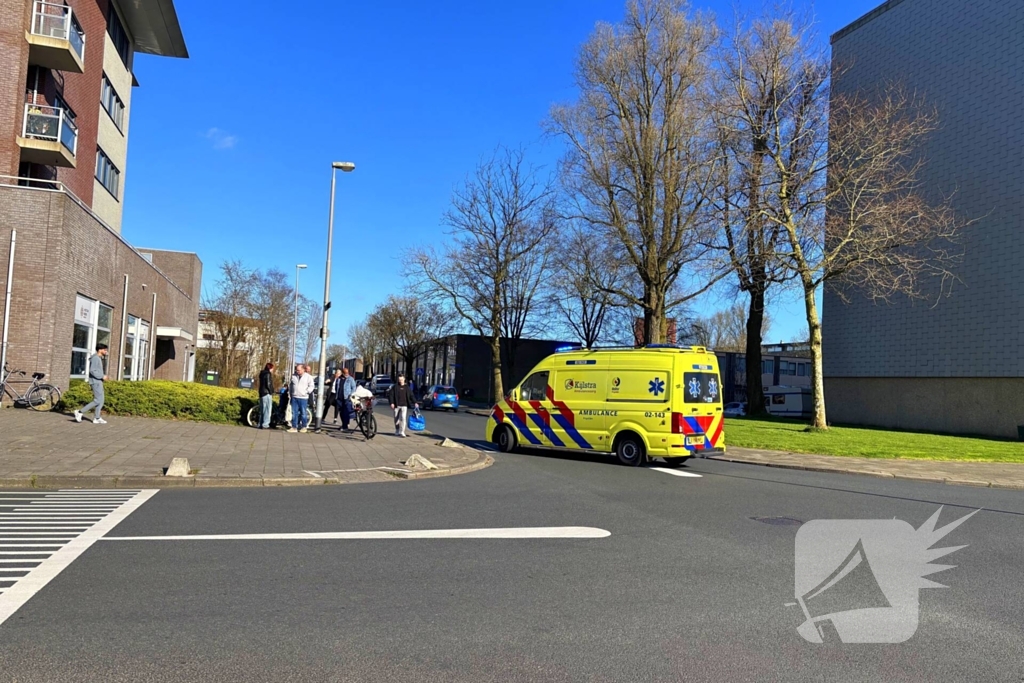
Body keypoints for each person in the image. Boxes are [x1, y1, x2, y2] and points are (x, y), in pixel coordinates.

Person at [74, 343, 109, 424]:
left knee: (101, 400)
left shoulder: (98, 358)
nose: (106, 351)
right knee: (98, 400)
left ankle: (97, 418)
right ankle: (79, 412)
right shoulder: (96, 358)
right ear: (100, 350)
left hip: (98, 381)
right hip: (95, 381)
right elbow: (92, 370)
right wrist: (102, 376)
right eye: (105, 350)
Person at [387, 373, 418, 438]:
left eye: (401, 380)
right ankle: (397, 429)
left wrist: (415, 402)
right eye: (399, 380)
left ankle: (402, 431)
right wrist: (392, 403)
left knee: (403, 418)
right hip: (396, 405)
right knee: (396, 418)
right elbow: (391, 395)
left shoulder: (407, 388)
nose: (400, 381)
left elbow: (411, 395)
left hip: (404, 405)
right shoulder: (395, 387)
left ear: (404, 379)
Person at [288, 363, 314, 433]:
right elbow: (291, 385)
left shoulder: (308, 377)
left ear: (303, 369)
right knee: (294, 413)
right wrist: (290, 393)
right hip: (294, 397)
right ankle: (294, 427)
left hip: (303, 398)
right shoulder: (293, 376)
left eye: (299, 370)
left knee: (303, 413)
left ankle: (304, 427)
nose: (297, 371)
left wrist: (306, 392)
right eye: (296, 370)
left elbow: (311, 386)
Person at [258, 362, 275, 429]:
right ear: (270, 368)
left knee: (262, 409)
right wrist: (271, 392)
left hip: (262, 393)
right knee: (267, 409)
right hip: (267, 393)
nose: (273, 370)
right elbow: (268, 384)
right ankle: (265, 424)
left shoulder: (262, 373)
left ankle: (260, 423)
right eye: (272, 368)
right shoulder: (268, 374)